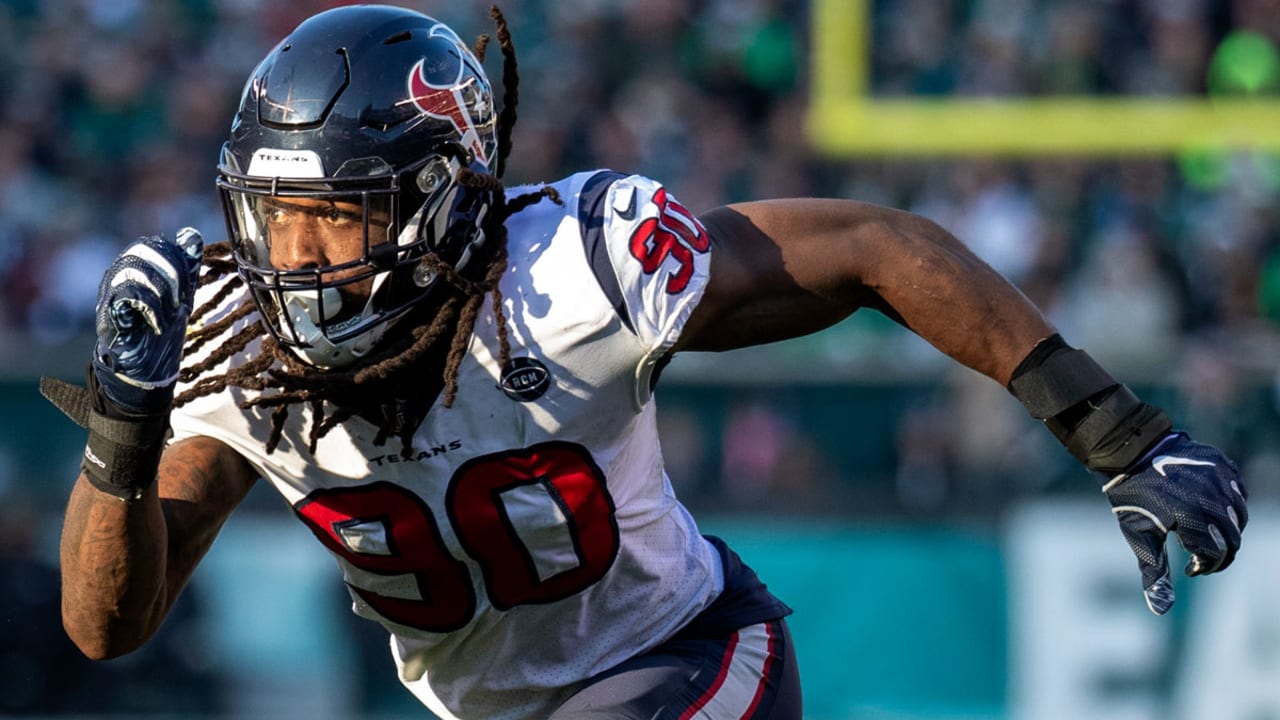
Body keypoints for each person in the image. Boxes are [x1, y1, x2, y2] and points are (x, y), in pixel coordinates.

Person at [43, 6, 1248, 720]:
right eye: (274, 219)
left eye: (337, 220)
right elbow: (106, 626)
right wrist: (123, 432)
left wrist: (1114, 432)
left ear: (443, 200)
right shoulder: (242, 351)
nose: (295, 261)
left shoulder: (566, 273)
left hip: (682, 656)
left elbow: (873, 246)